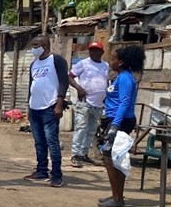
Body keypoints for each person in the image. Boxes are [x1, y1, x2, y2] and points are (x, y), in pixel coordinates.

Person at [98, 44, 144, 207]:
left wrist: (114, 126)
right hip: (115, 119)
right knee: (113, 156)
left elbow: (124, 103)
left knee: (110, 157)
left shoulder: (125, 79)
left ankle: (117, 198)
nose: (110, 62)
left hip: (120, 121)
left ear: (122, 62)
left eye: (113, 59)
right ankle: (116, 194)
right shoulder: (122, 76)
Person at [24, 35, 70, 187]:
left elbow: (64, 81)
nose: (33, 48)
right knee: (39, 142)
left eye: (35, 45)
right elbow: (32, 85)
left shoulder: (56, 60)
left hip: (50, 107)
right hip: (35, 107)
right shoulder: (34, 64)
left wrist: (59, 103)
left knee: (52, 141)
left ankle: (56, 174)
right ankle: (41, 170)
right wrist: (28, 106)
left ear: (45, 45)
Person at [68, 41, 110, 167]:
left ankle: (83, 153)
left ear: (102, 52)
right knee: (81, 127)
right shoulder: (83, 63)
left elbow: (105, 81)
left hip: (98, 103)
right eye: (92, 50)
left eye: (97, 50)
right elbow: (69, 77)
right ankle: (75, 154)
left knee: (91, 130)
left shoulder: (105, 65)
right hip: (85, 101)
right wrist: (78, 88)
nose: (94, 52)